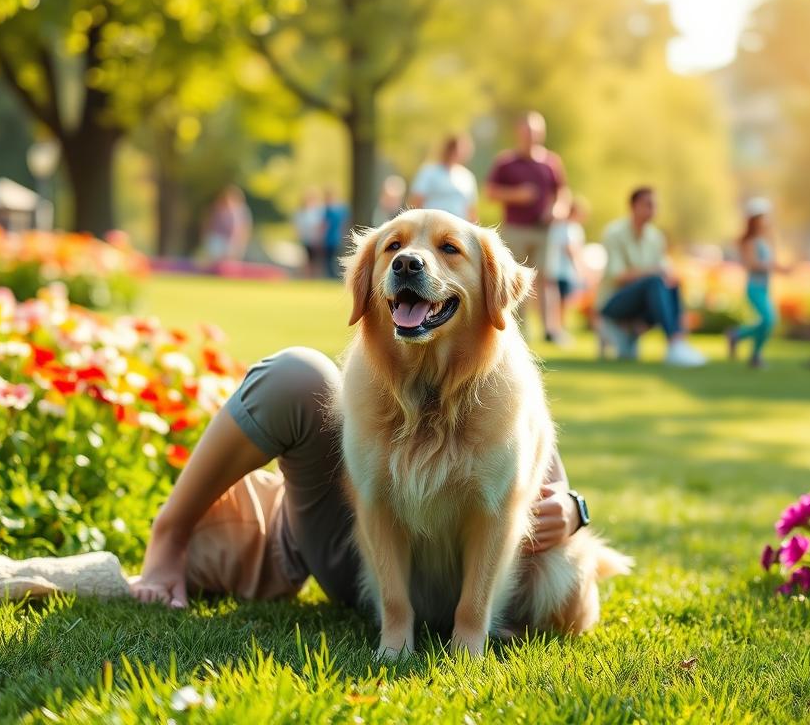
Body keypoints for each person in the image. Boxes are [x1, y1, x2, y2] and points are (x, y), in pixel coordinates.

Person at [130, 348, 590, 609]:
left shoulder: (510, 375)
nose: (413, 259)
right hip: (354, 557)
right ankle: (170, 535)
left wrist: (572, 509)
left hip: (474, 583)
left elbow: (544, 464)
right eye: (395, 247)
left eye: (448, 249)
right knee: (297, 375)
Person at [597, 186, 706, 367]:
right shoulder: (614, 233)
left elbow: (665, 272)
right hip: (613, 302)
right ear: (633, 206)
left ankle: (678, 341)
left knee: (670, 284)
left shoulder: (656, 237)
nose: (652, 210)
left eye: (655, 206)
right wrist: (652, 272)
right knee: (654, 280)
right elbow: (618, 276)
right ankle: (673, 343)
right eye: (648, 205)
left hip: (641, 303)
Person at [486, 112, 568, 339]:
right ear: (519, 133)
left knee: (547, 279)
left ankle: (551, 330)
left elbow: (562, 192)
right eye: (527, 131)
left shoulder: (551, 162)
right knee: (515, 278)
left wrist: (558, 209)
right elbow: (490, 191)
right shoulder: (506, 162)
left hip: (544, 230)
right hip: (516, 229)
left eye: (535, 132)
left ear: (541, 133)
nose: (531, 136)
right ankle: (520, 331)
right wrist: (517, 195)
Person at [726, 197, 778, 369]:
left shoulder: (765, 241)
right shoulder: (749, 242)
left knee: (768, 321)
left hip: (764, 288)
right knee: (769, 319)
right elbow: (751, 264)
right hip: (754, 288)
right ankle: (751, 349)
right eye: (763, 217)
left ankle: (739, 338)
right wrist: (771, 266)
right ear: (755, 220)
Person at [544, 196, 588, 346]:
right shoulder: (566, 228)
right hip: (560, 270)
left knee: (561, 301)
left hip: (560, 270)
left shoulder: (568, 228)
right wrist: (579, 269)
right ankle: (557, 329)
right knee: (560, 301)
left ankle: (557, 329)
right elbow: (570, 249)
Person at [409, 134, 478, 222]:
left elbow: (470, 209)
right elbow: (417, 200)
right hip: (432, 225)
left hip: (458, 227)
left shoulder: (467, 176)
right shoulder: (429, 171)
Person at [202, 186, 253, 263]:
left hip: (233, 239)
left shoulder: (241, 211)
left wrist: (240, 241)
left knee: (229, 260)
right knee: (215, 257)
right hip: (218, 238)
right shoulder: (218, 208)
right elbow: (209, 223)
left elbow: (244, 228)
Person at [293, 189, 325, 277]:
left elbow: (321, 226)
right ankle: (308, 276)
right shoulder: (301, 212)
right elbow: (298, 226)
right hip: (305, 239)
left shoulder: (318, 212)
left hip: (315, 239)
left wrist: (319, 237)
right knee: (307, 259)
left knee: (315, 260)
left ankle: (316, 276)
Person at [321, 188, 349, 280]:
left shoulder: (329, 210)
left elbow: (325, 225)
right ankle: (333, 276)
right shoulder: (341, 209)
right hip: (337, 237)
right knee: (333, 258)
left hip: (331, 238)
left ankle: (332, 276)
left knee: (330, 259)